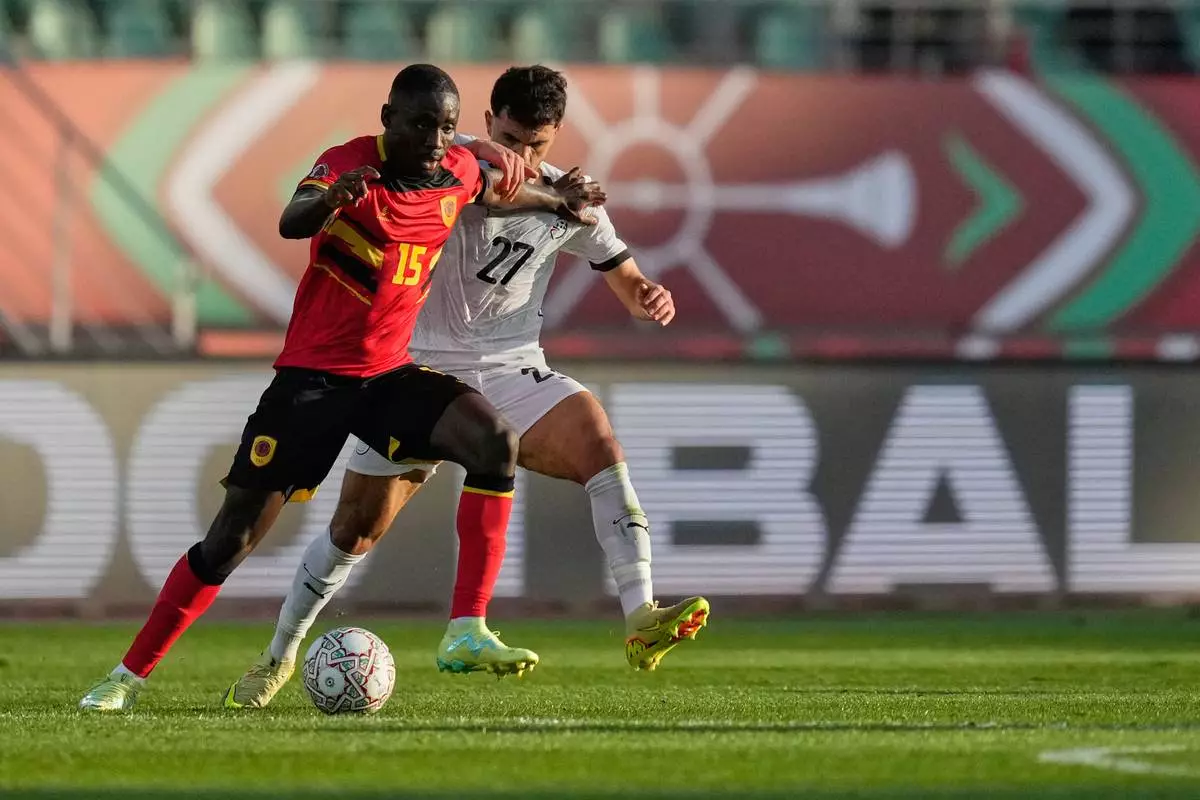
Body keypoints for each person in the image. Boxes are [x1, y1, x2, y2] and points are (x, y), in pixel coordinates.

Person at [78, 63, 604, 712]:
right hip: (313, 381)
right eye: (420, 125)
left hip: (387, 375)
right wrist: (329, 201)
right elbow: (293, 219)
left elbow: (494, 196)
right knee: (230, 540)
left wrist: (557, 202)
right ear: (388, 120)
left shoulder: (458, 170)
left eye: (445, 127)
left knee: (494, 440)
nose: (435, 140)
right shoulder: (349, 164)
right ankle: (126, 677)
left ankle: (467, 628)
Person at [223, 65, 709, 710]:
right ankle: (278, 656)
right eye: (509, 138)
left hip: (511, 366)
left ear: (556, 135)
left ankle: (641, 614)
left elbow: (621, 270)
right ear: (487, 122)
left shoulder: (567, 198)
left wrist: (646, 293)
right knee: (355, 529)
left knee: (598, 442)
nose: (521, 156)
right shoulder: (447, 166)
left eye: (536, 144)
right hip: (414, 368)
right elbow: (427, 162)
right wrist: (479, 152)